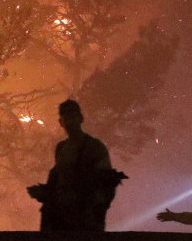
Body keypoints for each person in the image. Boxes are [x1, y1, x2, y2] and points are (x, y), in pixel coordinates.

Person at [27, 99, 127, 231]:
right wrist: (44, 193)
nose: (70, 122)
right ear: (61, 122)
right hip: (61, 216)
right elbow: (58, 181)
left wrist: (94, 210)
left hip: (85, 217)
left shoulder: (94, 147)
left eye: (73, 117)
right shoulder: (61, 148)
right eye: (67, 118)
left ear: (80, 118)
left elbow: (106, 185)